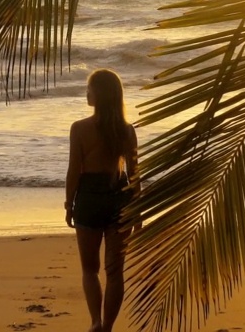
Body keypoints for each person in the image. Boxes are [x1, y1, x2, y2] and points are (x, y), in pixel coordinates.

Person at [65, 68, 139, 332]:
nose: (86, 93)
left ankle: (95, 321)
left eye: (89, 89)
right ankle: (107, 327)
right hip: (120, 198)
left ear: (99, 94)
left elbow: (74, 171)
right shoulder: (126, 130)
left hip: (89, 199)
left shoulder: (80, 128)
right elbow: (134, 174)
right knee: (115, 271)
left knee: (89, 269)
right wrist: (138, 210)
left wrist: (68, 204)